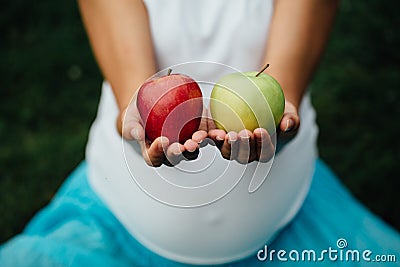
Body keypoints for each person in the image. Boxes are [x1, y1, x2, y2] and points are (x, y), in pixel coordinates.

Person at [1, 0, 399, 266]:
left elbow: (284, 83)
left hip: (286, 222)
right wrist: (137, 114)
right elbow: (135, 89)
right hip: (117, 223)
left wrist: (278, 125)